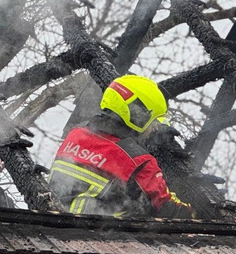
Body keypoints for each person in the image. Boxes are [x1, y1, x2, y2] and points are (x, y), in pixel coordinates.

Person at [48, 74, 194, 218]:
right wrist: (195, 210)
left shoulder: (76, 134)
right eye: (153, 121)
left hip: (54, 218)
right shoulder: (140, 161)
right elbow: (167, 208)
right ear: (138, 115)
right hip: (103, 231)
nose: (154, 128)